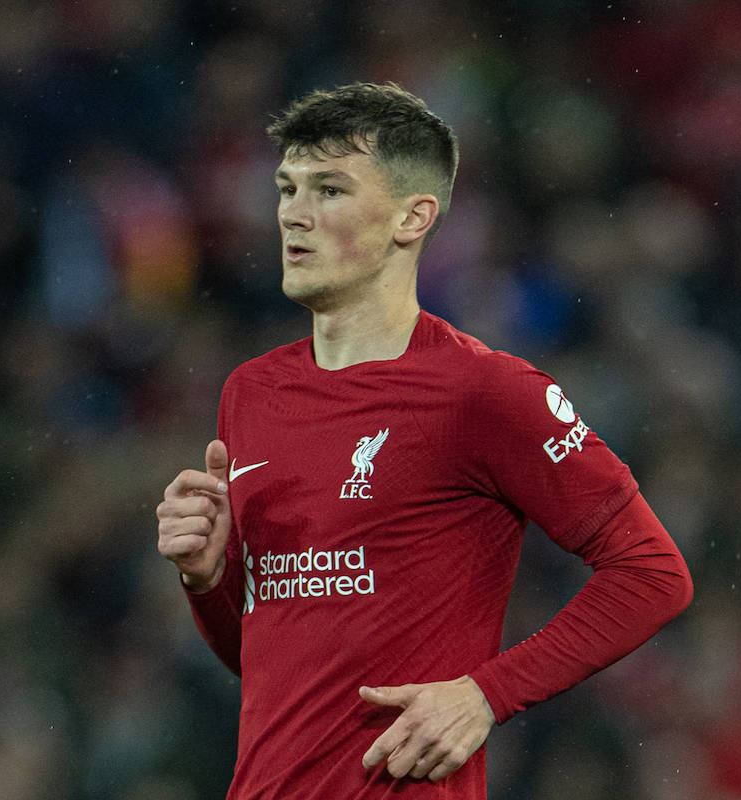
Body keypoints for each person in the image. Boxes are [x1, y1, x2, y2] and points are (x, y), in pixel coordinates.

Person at [155, 82, 693, 799]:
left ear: (414, 217)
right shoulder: (250, 394)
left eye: (331, 190)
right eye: (288, 189)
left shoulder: (485, 391)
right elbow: (268, 662)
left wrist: (484, 694)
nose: (294, 214)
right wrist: (208, 577)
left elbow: (652, 574)